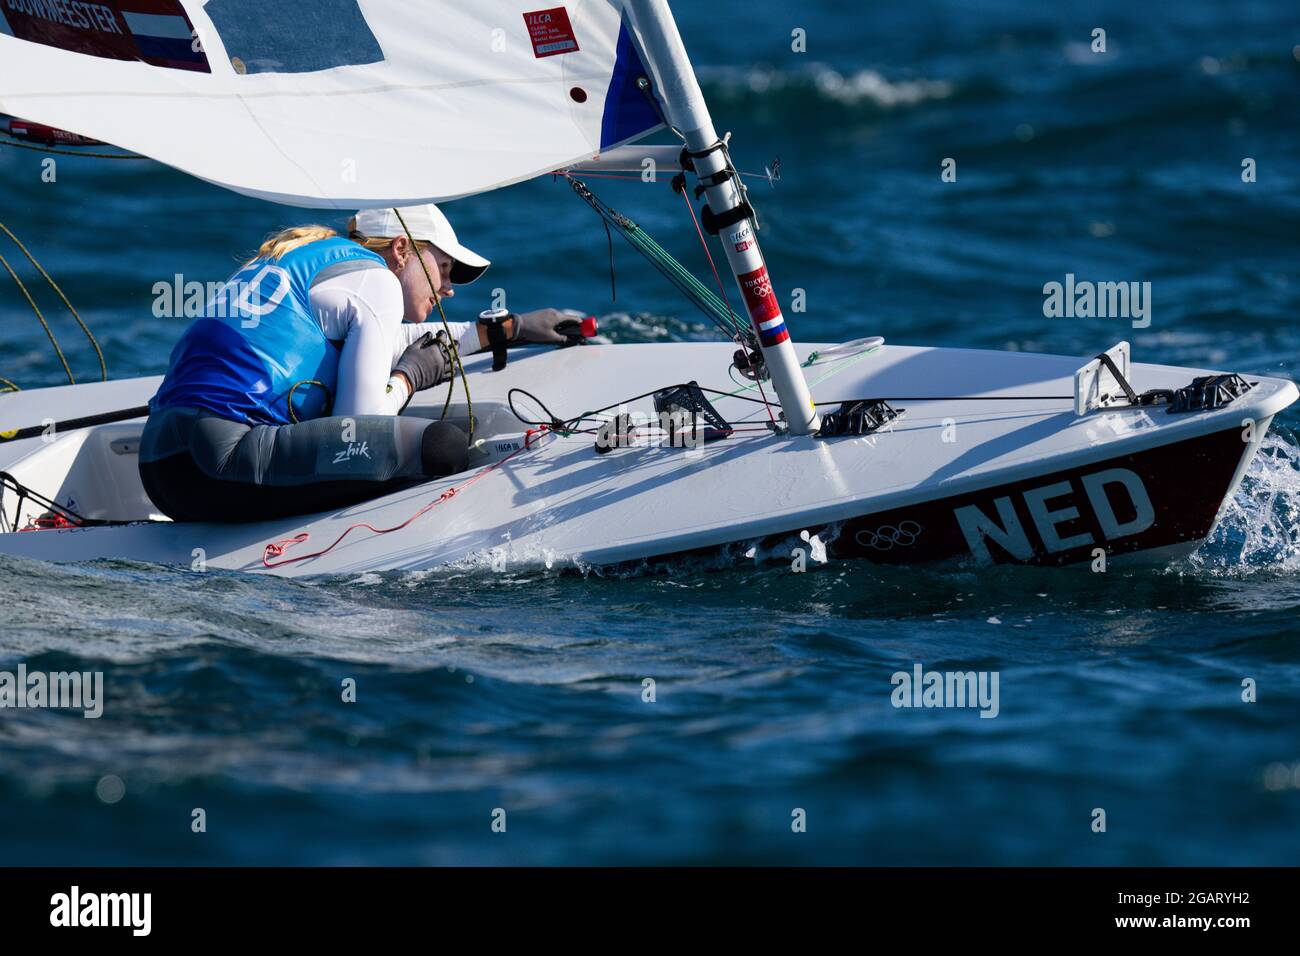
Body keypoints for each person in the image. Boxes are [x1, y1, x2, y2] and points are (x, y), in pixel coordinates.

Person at [138, 203, 581, 523]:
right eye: (444, 268)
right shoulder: (377, 279)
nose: (449, 289)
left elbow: (395, 339)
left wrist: (506, 329)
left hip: (161, 466)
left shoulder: (295, 262)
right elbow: (357, 425)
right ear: (403, 249)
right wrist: (409, 378)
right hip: (223, 464)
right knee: (440, 447)